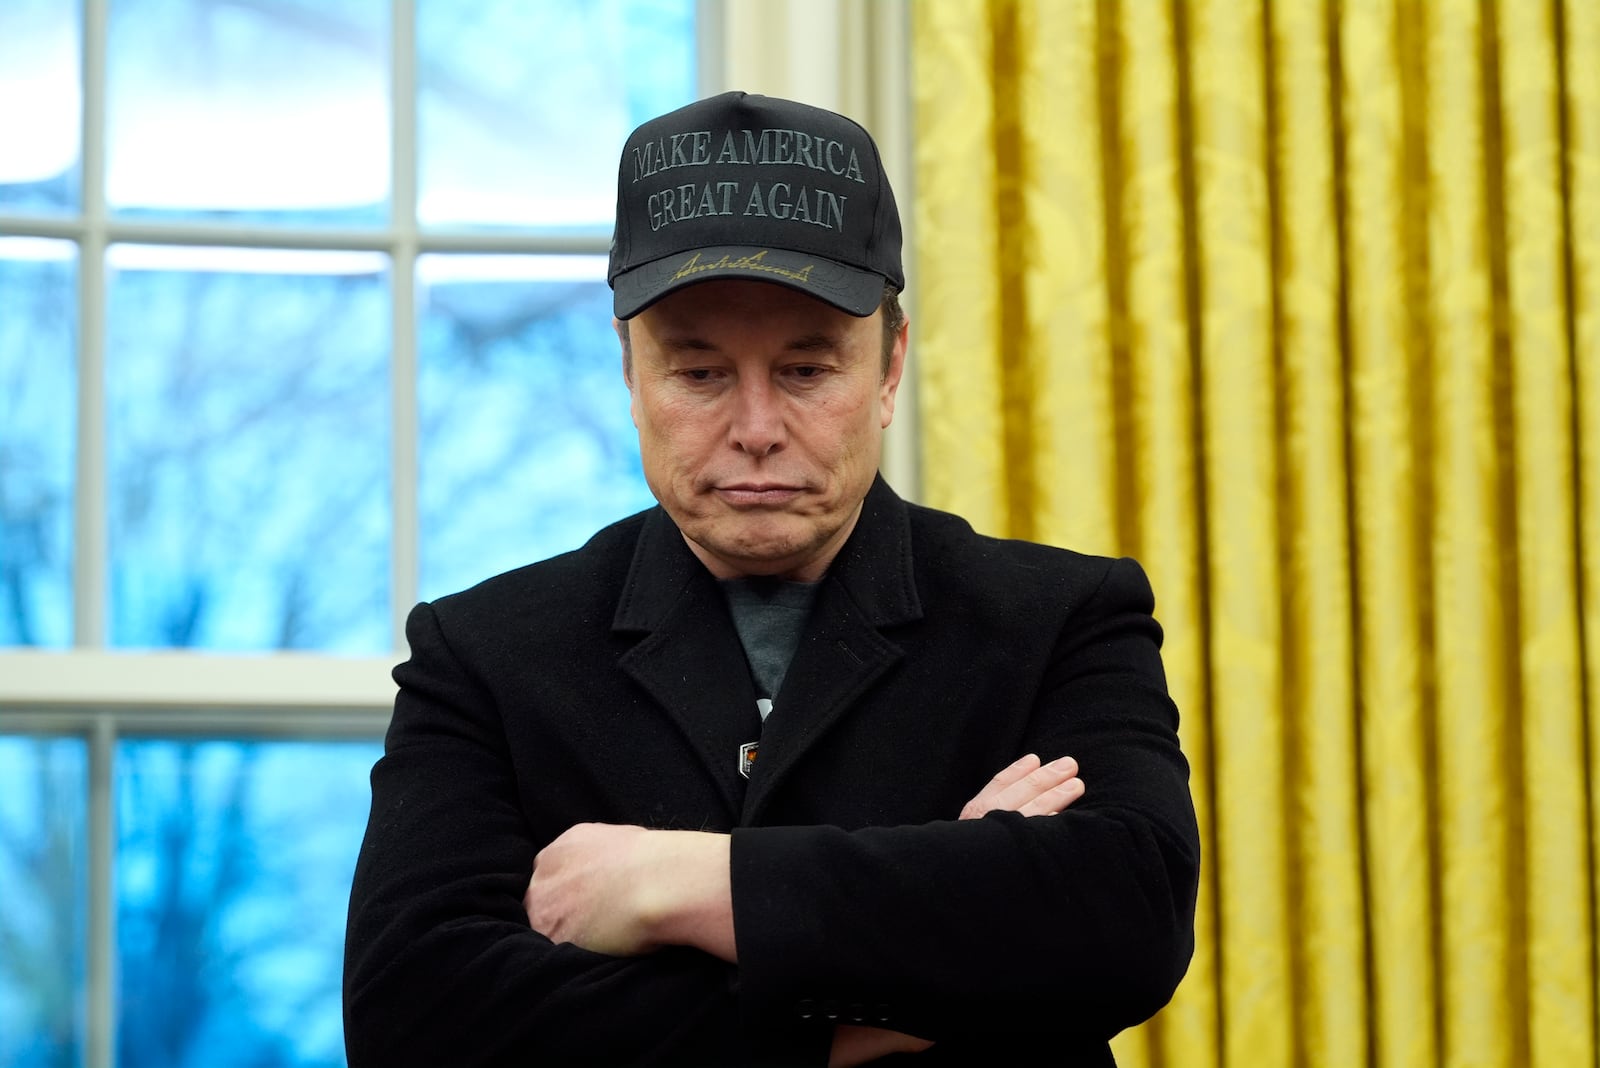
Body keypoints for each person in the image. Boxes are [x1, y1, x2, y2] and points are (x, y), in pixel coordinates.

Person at [343, 90, 1200, 1068]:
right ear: (629, 371)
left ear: (888, 369)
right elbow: (413, 1019)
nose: (755, 428)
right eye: (700, 374)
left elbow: (1125, 919)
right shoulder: (484, 653)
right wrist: (896, 990)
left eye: (805, 370)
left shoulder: (1056, 618)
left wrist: (687, 882)